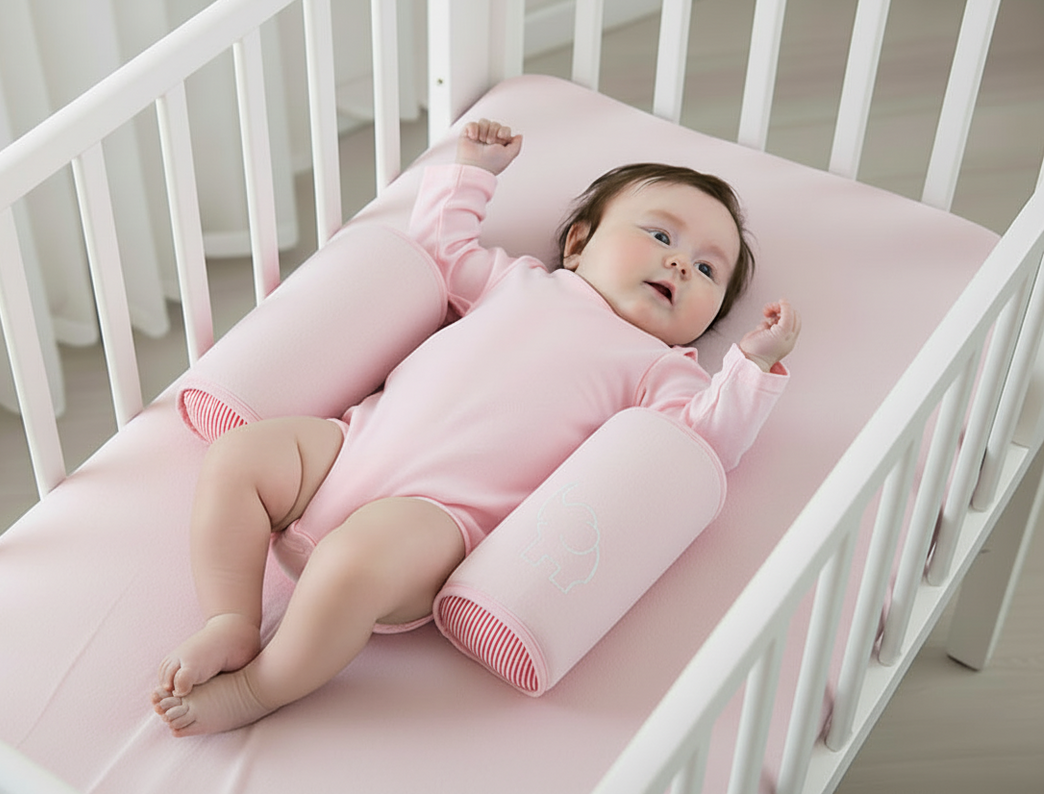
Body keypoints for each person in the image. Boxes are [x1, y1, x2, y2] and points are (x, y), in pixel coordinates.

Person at [152, 119, 800, 736]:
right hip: (347, 445)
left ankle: (261, 687)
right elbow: (440, 250)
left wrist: (751, 366)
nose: (682, 264)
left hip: (435, 517)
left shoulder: (663, 370)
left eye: (709, 269)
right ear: (579, 244)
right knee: (240, 456)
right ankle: (231, 619)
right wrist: (472, 174)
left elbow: (705, 439)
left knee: (351, 562)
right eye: (661, 236)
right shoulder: (515, 280)